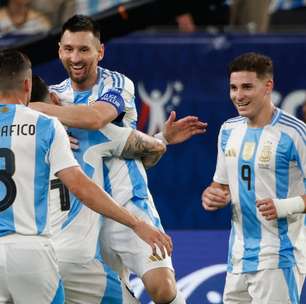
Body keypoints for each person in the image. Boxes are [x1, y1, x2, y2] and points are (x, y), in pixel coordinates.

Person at [30, 14, 207, 304]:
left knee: (163, 289)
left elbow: (96, 119)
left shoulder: (116, 85)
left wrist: (40, 111)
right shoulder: (54, 96)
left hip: (129, 203)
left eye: (84, 49)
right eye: (69, 48)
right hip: (84, 217)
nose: (75, 57)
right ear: (59, 50)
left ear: (100, 52)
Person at [0, 50, 172, 304]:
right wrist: (136, 223)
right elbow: (81, 185)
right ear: (26, 85)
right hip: (36, 254)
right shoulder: (48, 126)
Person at [202, 52, 305, 303]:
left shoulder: (294, 133)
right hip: (237, 259)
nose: (239, 95)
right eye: (233, 87)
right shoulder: (228, 130)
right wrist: (212, 196)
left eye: (247, 87)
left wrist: (285, 206)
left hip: (279, 257)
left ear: (268, 86)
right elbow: (221, 186)